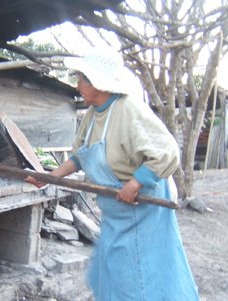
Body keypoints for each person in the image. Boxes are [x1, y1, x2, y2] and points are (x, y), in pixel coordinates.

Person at [26, 50, 200, 301]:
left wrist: (136, 182)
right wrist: (50, 176)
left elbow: (167, 152)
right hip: (115, 209)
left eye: (82, 79)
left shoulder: (128, 110)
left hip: (142, 205)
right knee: (110, 270)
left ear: (98, 82)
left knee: (139, 275)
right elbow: (79, 157)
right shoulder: (91, 115)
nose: (78, 85)